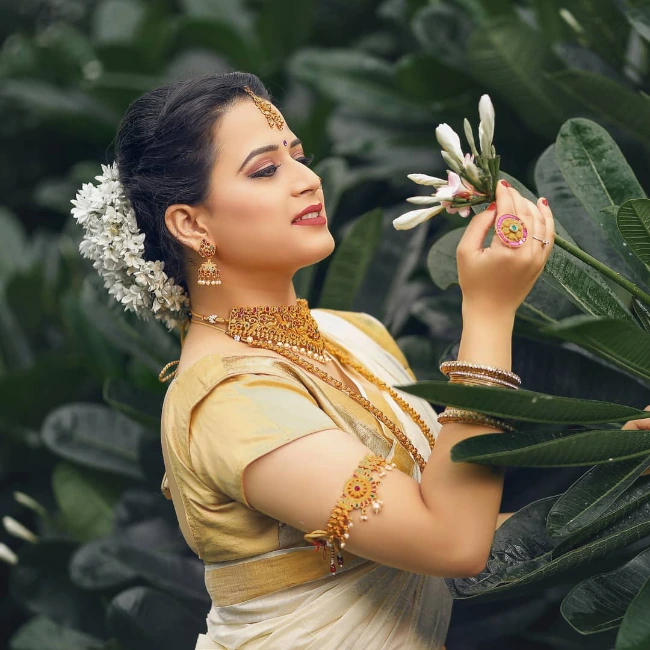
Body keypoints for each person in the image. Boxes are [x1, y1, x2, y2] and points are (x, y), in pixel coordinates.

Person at [73, 71, 555, 649]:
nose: (307, 180)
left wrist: (619, 474)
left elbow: (448, 523)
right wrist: (490, 312)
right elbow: (451, 544)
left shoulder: (351, 335)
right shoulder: (228, 401)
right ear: (191, 223)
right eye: (265, 170)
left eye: (299, 157)